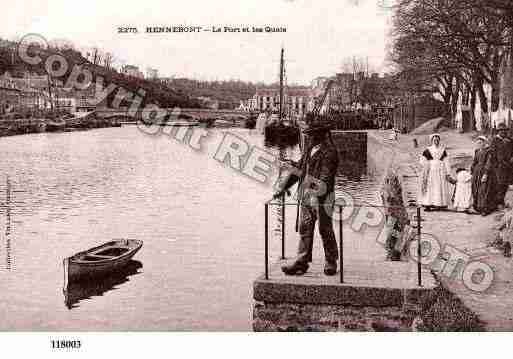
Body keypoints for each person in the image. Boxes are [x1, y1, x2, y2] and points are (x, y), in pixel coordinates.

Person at [273, 121, 339, 276]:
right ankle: (302, 262)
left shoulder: (330, 152)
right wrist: (283, 188)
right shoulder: (309, 150)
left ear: (320, 135)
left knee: (325, 229)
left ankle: (331, 261)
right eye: (309, 135)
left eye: (312, 135)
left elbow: (326, 177)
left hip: (324, 198)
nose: (308, 137)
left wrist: (316, 193)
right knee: (305, 228)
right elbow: (298, 170)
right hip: (306, 196)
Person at [418, 134, 452, 211]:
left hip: (440, 171)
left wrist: (448, 172)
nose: (436, 141)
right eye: (434, 140)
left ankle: (439, 204)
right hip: (430, 171)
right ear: (432, 141)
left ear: (439, 141)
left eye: (437, 140)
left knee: (439, 186)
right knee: (430, 186)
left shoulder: (442, 150)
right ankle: (428, 204)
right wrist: (426, 165)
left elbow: (446, 161)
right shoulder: (428, 150)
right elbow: (422, 161)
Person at [471, 136, 497, 216]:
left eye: (480, 143)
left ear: (484, 143)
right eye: (478, 143)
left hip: (485, 172)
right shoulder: (477, 151)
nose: (479, 144)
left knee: (484, 190)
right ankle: (477, 207)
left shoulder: (489, 151)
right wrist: (472, 170)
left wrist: (485, 174)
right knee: (476, 188)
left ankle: (485, 209)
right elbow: (475, 162)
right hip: (477, 172)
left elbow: (488, 163)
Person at [489, 123, 513, 210]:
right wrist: (495, 165)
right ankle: (498, 203)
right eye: (501, 130)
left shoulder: (509, 140)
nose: (503, 132)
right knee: (499, 184)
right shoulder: (495, 140)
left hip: (508, 166)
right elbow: (492, 154)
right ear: (498, 131)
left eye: (505, 130)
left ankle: (502, 201)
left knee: (505, 185)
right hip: (499, 167)